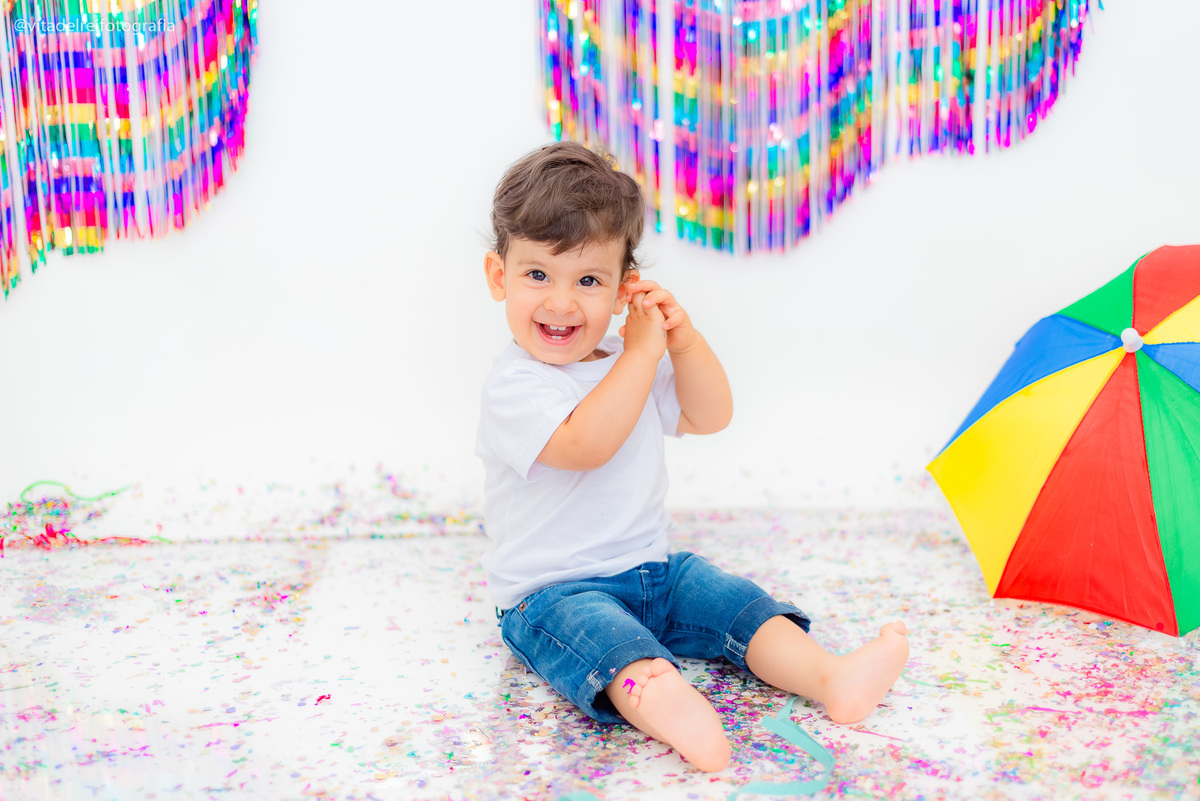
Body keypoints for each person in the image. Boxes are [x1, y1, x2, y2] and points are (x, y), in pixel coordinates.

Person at [476, 141, 909, 772]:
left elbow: (711, 415)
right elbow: (585, 445)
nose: (562, 302)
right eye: (538, 274)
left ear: (625, 290)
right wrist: (641, 355)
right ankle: (679, 712)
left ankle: (831, 677)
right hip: (551, 593)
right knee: (618, 650)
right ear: (499, 276)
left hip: (654, 571)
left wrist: (682, 342)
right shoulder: (517, 384)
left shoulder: (631, 362)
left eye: (589, 280)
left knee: (736, 604)